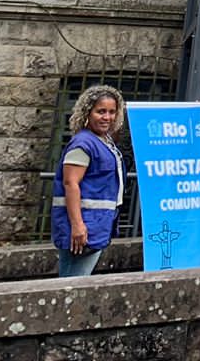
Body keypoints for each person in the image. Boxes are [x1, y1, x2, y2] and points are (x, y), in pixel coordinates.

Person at [51, 84, 125, 278]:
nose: (107, 117)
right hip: (84, 226)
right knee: (73, 283)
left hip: (96, 223)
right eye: (101, 112)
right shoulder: (83, 144)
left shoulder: (102, 140)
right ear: (87, 112)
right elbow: (70, 183)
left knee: (71, 280)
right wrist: (77, 225)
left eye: (111, 112)